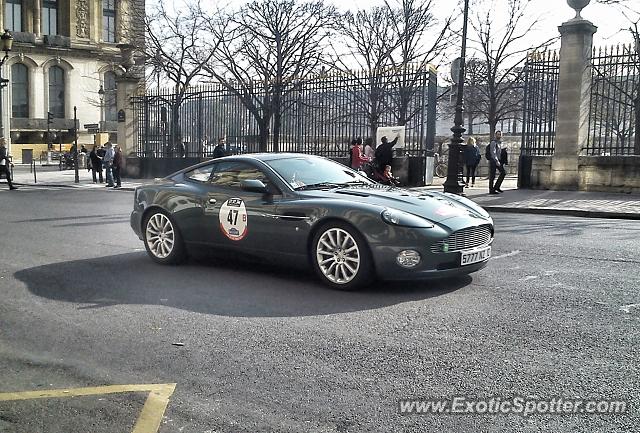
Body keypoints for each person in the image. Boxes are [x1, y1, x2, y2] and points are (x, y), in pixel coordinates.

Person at [489, 130, 506, 194]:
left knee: (503, 173)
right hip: (494, 160)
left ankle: (496, 187)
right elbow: (493, 152)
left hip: (499, 160)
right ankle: (491, 190)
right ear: (495, 135)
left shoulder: (500, 143)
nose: (499, 135)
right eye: (498, 134)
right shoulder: (493, 142)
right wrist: (496, 160)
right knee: (492, 175)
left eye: (500, 134)